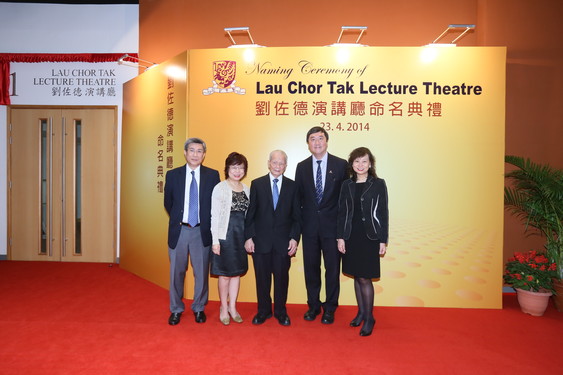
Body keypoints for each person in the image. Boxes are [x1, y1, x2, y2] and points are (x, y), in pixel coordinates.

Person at [164, 137, 220, 326]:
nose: (195, 154)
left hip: (201, 231)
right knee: (176, 273)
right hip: (180, 230)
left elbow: (215, 204)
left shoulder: (213, 175)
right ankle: (176, 309)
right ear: (185, 152)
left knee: (201, 273)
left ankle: (198, 308)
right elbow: (168, 203)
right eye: (192, 150)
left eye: (199, 151)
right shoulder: (173, 175)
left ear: (204, 155)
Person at [295, 126, 347, 324]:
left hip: (332, 229)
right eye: (312, 139)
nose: (317, 142)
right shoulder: (302, 167)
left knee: (332, 270)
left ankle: (330, 308)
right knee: (311, 268)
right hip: (309, 229)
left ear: (327, 141)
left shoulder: (341, 165)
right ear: (308, 144)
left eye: (320, 138)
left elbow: (345, 202)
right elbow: (298, 201)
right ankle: (314, 306)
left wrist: (342, 231)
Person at [244, 150, 301, 326]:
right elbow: (250, 215)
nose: (278, 166)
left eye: (281, 163)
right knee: (262, 279)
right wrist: (249, 237)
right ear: (268, 163)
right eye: (274, 162)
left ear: (286, 166)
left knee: (282, 279)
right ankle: (263, 311)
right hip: (260, 242)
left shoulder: (293, 186)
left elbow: (297, 217)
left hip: (283, 243)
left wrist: (294, 238)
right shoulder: (257, 184)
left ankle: (281, 312)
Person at [336, 147, 389, 337]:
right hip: (351, 236)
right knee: (357, 276)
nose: (360, 165)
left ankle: (369, 318)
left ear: (370, 163)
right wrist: (340, 236)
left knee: (365, 277)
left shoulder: (378, 184)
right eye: (356, 161)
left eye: (364, 161)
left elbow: (383, 213)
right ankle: (360, 313)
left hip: (370, 237)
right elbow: (342, 213)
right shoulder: (346, 185)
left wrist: (383, 239)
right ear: (352, 164)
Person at [210, 152, 250, 325]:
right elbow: (214, 216)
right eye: (234, 167)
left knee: (236, 274)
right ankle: (223, 308)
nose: (237, 171)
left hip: (241, 237)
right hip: (225, 236)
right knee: (225, 275)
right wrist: (215, 240)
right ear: (227, 169)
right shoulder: (220, 188)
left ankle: (233, 307)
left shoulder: (247, 189)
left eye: (241, 167)